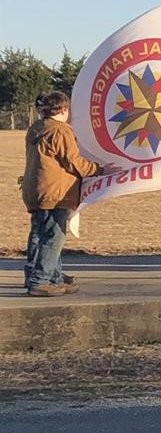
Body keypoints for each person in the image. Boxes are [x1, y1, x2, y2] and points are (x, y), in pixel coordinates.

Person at [21, 90, 102, 295]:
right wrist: (99, 170)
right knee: (54, 237)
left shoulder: (36, 128)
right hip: (55, 192)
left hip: (35, 189)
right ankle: (40, 281)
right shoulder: (61, 131)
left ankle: (49, 277)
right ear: (64, 109)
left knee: (39, 234)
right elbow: (73, 162)